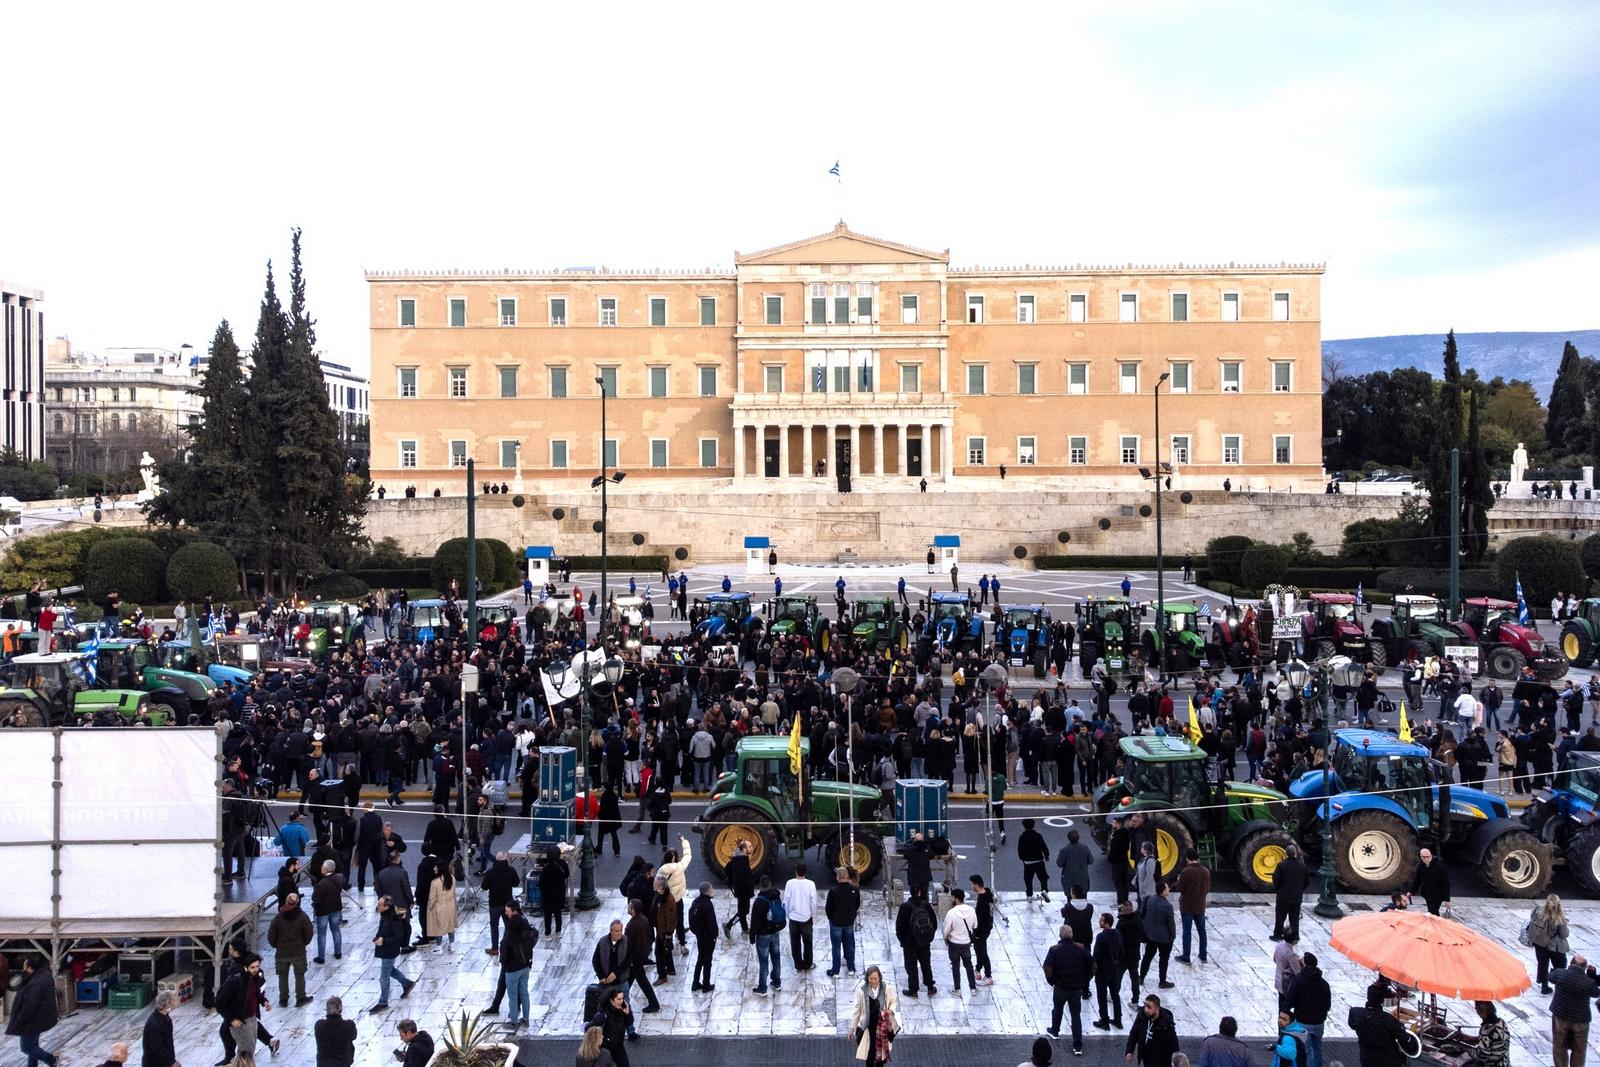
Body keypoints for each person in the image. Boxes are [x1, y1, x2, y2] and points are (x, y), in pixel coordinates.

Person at [1042, 924, 1091, 1053]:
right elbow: (1093, 965)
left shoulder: (1054, 949)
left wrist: (1052, 981)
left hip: (1061, 987)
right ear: (1072, 935)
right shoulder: (1081, 948)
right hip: (1076, 988)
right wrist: (1085, 980)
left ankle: (1055, 1031)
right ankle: (1077, 1046)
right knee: (1076, 1016)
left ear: (1060, 935)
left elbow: (1047, 967)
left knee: (1057, 1010)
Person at [6, 955, 59, 1067]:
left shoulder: (34, 985)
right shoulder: (45, 975)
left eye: (25, 966)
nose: (23, 968)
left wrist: (19, 1020)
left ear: (30, 968)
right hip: (42, 1017)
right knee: (33, 1045)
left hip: (32, 1021)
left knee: (27, 1048)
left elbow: (28, 1007)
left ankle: (51, 1059)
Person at [267, 890, 315, 1006]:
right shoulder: (302, 916)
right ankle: (301, 998)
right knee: (299, 975)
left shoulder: (278, 917)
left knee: (282, 976)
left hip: (282, 952)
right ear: (297, 902)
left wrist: (276, 945)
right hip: (298, 951)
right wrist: (304, 943)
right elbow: (309, 932)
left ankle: (283, 999)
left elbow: (271, 935)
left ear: (286, 901)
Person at [1348, 982, 1413, 1067]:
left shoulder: (1355, 1013)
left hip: (1367, 1058)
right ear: (1382, 1000)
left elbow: (1352, 1025)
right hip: (1388, 1061)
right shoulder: (1388, 1019)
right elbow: (1405, 1040)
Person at [1548, 954, 1597, 1067]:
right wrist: (1591, 977)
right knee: (1579, 1050)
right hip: (1581, 1019)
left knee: (1559, 1046)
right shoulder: (1587, 982)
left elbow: (1550, 976)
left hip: (1561, 1016)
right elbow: (1596, 992)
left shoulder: (1561, 974)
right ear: (1584, 967)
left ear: (1571, 964)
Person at [370, 895, 416, 1011]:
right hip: (385, 949)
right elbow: (382, 930)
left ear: (386, 906)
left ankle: (383, 1002)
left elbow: (398, 937)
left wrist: (383, 941)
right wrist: (378, 938)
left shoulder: (394, 919)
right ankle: (407, 984)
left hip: (389, 950)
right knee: (391, 970)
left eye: (380, 905)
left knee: (384, 977)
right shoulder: (385, 916)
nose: (377, 907)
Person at [1285, 952, 1330, 1067]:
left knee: (1307, 1050)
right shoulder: (1324, 983)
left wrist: (1285, 1010)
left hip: (1303, 1021)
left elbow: (1291, 999)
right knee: (1317, 1048)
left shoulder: (1299, 980)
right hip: (1319, 1022)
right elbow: (1327, 1005)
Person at [849, 965, 900, 1067]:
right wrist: (852, 1028)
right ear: (867, 978)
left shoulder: (886, 988)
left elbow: (893, 1001)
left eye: (875, 978)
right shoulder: (861, 991)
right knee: (870, 1054)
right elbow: (857, 1010)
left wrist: (891, 1011)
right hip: (868, 1027)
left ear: (879, 977)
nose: (873, 981)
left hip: (882, 1026)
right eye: (870, 978)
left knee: (881, 1055)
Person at [895, 884, 938, 998]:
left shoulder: (904, 907)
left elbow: (899, 927)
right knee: (926, 965)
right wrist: (928, 937)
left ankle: (913, 990)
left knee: (911, 966)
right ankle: (930, 987)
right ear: (919, 892)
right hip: (924, 942)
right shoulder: (926, 905)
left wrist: (903, 941)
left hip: (909, 944)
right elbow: (934, 923)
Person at [501, 899, 536, 1027]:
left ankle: (514, 1020)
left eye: (508, 911)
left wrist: (504, 965)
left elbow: (504, 956)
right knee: (524, 993)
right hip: (525, 965)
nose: (506, 913)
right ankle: (526, 1019)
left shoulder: (508, 938)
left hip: (512, 969)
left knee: (513, 995)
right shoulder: (525, 930)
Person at [1528, 893, 1571, 993]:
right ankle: (1557, 983)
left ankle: (1544, 986)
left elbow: (1532, 918)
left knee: (1542, 964)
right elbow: (1564, 934)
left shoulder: (1537, 910)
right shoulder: (1559, 918)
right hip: (1554, 947)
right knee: (1561, 964)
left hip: (1539, 943)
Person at [1173, 848, 1210, 964]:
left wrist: (1179, 880)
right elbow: (1207, 888)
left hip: (1187, 906)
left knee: (1187, 931)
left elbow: (1180, 888)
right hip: (1200, 906)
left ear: (1187, 858)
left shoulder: (1186, 871)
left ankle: (1186, 956)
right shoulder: (1205, 871)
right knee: (1202, 931)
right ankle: (1203, 955)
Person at [1138, 880, 1176, 991]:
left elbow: (1143, 913)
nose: (1168, 889)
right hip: (1164, 939)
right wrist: (1172, 936)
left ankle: (1142, 976)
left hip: (1150, 936)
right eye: (1167, 888)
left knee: (1147, 956)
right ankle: (1162, 981)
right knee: (1163, 960)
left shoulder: (1149, 900)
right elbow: (1171, 924)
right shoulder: (1167, 906)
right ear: (1163, 891)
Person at [749, 876, 785, 995]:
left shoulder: (759, 901)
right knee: (776, 958)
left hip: (763, 936)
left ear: (760, 885)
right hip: (775, 933)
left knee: (764, 962)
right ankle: (776, 982)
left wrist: (752, 936)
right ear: (770, 883)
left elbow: (754, 921)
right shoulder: (776, 895)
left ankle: (762, 988)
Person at [782, 860, 818, 971]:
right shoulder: (811, 884)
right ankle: (807, 964)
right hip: (806, 918)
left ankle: (798, 965)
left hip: (793, 918)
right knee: (808, 943)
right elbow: (814, 902)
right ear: (805, 872)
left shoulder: (789, 883)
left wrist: (788, 915)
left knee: (795, 943)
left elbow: (785, 901)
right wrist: (814, 916)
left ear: (796, 872)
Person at [826, 866, 862, 978]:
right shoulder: (855, 890)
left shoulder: (833, 891)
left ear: (838, 877)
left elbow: (828, 908)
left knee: (836, 947)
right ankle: (851, 968)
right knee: (849, 945)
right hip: (848, 922)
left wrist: (831, 918)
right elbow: (857, 904)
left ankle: (835, 970)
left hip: (836, 922)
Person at [1125, 994, 1179, 1067]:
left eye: (1149, 1007)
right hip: (1146, 1058)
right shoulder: (1141, 1015)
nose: (1146, 1009)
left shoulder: (1166, 1023)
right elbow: (1134, 1033)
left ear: (1157, 1008)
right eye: (1145, 1005)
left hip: (1161, 1061)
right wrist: (1129, 1051)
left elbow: (1174, 1044)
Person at [942, 887, 979, 993]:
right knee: (968, 965)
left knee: (955, 966)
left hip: (954, 943)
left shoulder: (951, 913)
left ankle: (957, 988)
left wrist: (946, 939)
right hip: (966, 943)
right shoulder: (971, 910)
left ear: (955, 898)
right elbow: (975, 925)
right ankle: (972, 988)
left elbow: (945, 930)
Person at [482, 851, 520, 956]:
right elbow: (516, 883)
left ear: (496, 859)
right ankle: (506, 945)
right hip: (507, 904)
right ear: (506, 859)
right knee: (508, 925)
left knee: (494, 926)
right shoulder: (511, 870)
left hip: (494, 903)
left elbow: (484, 887)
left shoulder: (490, 872)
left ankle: (494, 948)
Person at [1270, 844, 1308, 941]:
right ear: (1295, 853)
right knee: (1294, 919)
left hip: (1283, 896)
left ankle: (1277, 935)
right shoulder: (1302, 867)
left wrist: (1279, 889)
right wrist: (1299, 890)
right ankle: (1295, 936)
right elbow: (1307, 882)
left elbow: (1275, 879)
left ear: (1286, 853)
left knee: (1280, 917)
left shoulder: (1281, 865)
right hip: (1296, 897)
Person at [311, 859, 345, 964]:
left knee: (322, 934)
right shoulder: (339, 878)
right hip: (335, 908)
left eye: (322, 867)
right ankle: (338, 952)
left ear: (326, 869)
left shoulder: (322, 883)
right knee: (336, 930)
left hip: (323, 911)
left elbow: (315, 898)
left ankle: (321, 957)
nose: (321, 868)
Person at [720, 839, 755, 937]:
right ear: (744, 849)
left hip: (741, 891)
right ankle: (728, 925)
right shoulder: (742, 861)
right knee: (744, 911)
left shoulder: (738, 857)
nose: (752, 848)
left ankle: (744, 928)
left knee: (742, 911)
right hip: (743, 891)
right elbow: (742, 878)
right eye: (749, 846)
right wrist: (749, 886)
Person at [687, 882, 719, 991]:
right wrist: (714, 935)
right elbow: (711, 923)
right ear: (708, 891)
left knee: (700, 959)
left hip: (700, 937)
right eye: (711, 888)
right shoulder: (707, 905)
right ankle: (706, 985)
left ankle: (695, 983)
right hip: (708, 938)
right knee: (707, 961)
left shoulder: (696, 902)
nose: (712, 889)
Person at [590, 988, 633, 1067]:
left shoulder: (621, 1009)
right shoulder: (603, 1015)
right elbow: (589, 1028)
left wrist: (627, 1013)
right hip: (606, 1048)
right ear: (611, 1000)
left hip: (618, 1046)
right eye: (618, 999)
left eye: (622, 998)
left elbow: (629, 1023)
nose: (622, 1001)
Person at [314, 995, 357, 1067]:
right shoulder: (348, 1025)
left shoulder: (319, 1025)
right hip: (343, 1063)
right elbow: (353, 1036)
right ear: (340, 1009)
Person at [969, 874, 996, 986]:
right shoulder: (987, 894)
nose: (971, 886)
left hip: (981, 931)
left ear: (976, 885)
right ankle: (978, 970)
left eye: (972, 884)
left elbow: (980, 919)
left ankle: (988, 976)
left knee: (982, 952)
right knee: (978, 950)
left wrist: (976, 933)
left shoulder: (982, 901)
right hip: (987, 928)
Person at [538, 845, 570, 936]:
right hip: (559, 893)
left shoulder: (547, 867)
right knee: (558, 913)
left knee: (547, 915)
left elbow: (542, 883)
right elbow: (567, 874)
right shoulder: (563, 863)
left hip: (548, 895)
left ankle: (548, 933)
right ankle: (558, 931)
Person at [141, 989, 179, 1067]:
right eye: (173, 1000)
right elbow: (157, 1047)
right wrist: (171, 1062)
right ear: (167, 1003)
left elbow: (168, 1042)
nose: (175, 1002)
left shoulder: (166, 1018)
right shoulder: (155, 1023)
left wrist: (172, 1060)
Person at [1017, 817, 1052, 900]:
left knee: (1028, 879)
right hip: (1039, 860)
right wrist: (1046, 856)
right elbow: (1044, 846)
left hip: (1028, 862)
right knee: (1043, 877)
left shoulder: (1022, 837)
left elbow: (1020, 849)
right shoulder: (1038, 835)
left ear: (1024, 826)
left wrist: (1022, 858)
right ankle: (1044, 890)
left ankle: (1029, 894)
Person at [1411, 847, 1451, 915]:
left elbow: (1446, 883)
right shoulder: (1421, 866)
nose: (1426, 859)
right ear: (1421, 857)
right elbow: (1417, 880)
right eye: (1424, 857)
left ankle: (1435, 924)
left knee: (1434, 911)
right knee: (1431, 911)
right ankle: (1433, 923)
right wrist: (1411, 891)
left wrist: (1447, 899)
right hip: (1427, 894)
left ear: (1431, 856)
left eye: (1428, 857)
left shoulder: (1439, 867)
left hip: (1438, 895)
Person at [1057, 828, 1093, 897]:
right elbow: (1090, 860)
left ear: (1068, 838)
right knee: (1083, 899)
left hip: (1070, 881)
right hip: (1082, 880)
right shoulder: (1084, 848)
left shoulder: (1064, 850)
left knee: (1070, 901)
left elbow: (1059, 863)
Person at [1471, 1001, 1509, 1067]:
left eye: (1476, 1008)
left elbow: (1482, 1056)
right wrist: (1468, 1038)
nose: (1476, 1011)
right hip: (1505, 1062)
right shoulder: (1502, 1022)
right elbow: (1489, 1041)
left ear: (1482, 1011)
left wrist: (1469, 1052)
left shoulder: (1487, 1030)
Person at [1273, 933, 1302, 1013]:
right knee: (1285, 1009)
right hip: (1286, 984)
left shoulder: (1279, 945)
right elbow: (1298, 972)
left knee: (1281, 1005)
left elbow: (1275, 959)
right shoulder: (1291, 954)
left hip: (1278, 979)